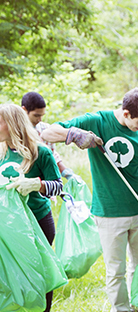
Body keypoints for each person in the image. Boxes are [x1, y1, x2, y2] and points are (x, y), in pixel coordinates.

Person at [41, 88, 138, 312]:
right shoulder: (97, 121)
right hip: (108, 213)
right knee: (115, 269)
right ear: (126, 113)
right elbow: (47, 133)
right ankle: (121, 309)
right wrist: (76, 135)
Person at [0, 104, 63, 312]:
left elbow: (58, 186)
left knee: (40, 272)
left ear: (11, 124)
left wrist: (38, 184)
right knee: (11, 273)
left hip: (37, 222)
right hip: (8, 228)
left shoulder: (40, 152)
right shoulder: (1, 152)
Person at [21, 92, 78, 180]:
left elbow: (52, 155)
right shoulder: (13, 132)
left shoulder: (45, 129)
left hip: (45, 184)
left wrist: (66, 172)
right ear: (24, 110)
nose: (39, 120)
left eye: (42, 115)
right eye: (36, 115)